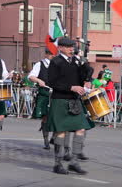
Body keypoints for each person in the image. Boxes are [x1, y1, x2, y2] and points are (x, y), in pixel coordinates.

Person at [47, 37, 92, 175]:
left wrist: (87, 77)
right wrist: (71, 87)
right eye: (68, 47)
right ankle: (58, 163)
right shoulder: (55, 62)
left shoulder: (76, 61)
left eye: (72, 46)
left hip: (74, 100)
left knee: (81, 129)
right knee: (61, 131)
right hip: (60, 100)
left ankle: (74, 162)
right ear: (60, 48)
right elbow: (52, 82)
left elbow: (85, 74)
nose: (72, 49)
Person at [28, 48, 55, 150]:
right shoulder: (40, 64)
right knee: (46, 117)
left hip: (56, 94)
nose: (52, 55)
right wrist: (39, 80)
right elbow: (31, 76)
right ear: (46, 54)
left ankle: (54, 137)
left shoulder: (57, 65)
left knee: (57, 116)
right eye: (50, 53)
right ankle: (46, 140)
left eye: (54, 54)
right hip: (44, 94)